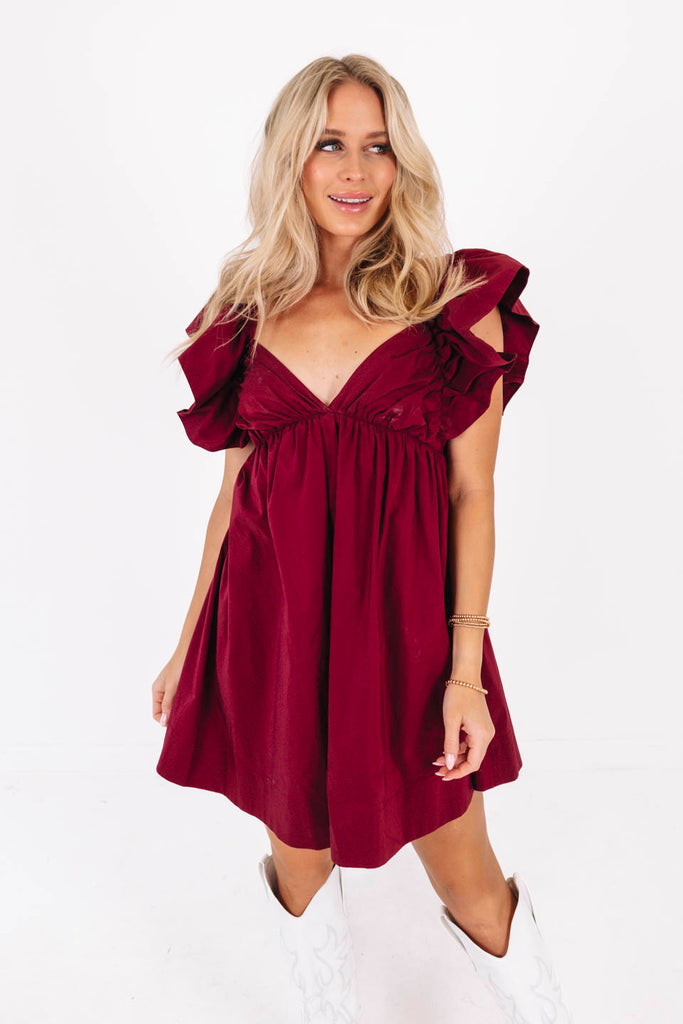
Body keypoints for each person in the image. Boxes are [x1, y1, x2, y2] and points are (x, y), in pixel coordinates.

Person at [152, 53, 574, 1024]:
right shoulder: (247, 313)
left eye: (377, 146)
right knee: (299, 862)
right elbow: (233, 498)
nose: (354, 170)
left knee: (467, 873)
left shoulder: (453, 307)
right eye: (329, 145)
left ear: (401, 160)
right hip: (275, 634)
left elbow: (473, 493)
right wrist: (187, 645)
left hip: (406, 637)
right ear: (290, 161)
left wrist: (463, 673)